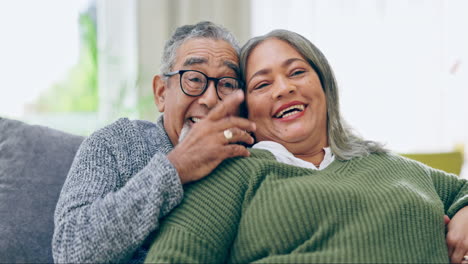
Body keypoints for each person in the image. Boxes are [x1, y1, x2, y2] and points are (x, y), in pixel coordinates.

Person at [144, 29, 468, 263]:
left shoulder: (387, 164)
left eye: (297, 72)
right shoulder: (232, 174)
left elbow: (461, 191)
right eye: (262, 84)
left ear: (324, 86)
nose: (284, 89)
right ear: (245, 109)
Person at [52, 21, 256, 263]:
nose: (211, 99)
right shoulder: (115, 143)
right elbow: (70, 250)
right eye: (193, 79)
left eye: (227, 84)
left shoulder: (249, 157)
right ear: (161, 93)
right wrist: (176, 168)